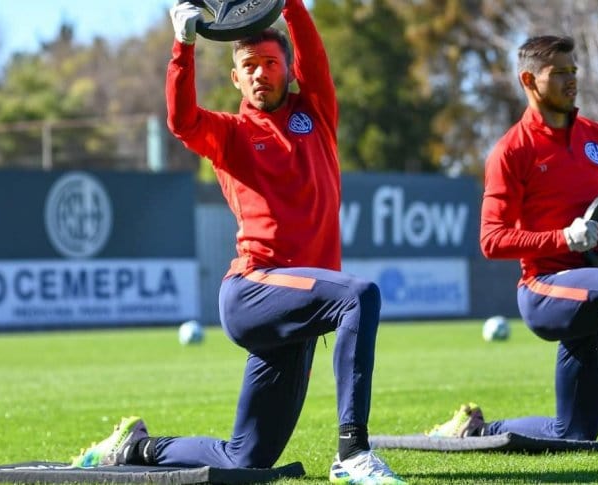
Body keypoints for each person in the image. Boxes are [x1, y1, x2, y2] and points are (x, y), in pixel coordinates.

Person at [68, 1, 405, 483]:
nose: (261, 74)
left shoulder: (316, 114)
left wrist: (288, 3)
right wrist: (182, 47)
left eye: (270, 64)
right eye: (249, 66)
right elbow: (182, 120)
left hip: (297, 311)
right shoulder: (231, 133)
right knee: (359, 296)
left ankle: (137, 447)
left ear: (289, 71)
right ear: (235, 78)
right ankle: (352, 452)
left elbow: (313, 52)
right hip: (252, 291)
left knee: (246, 460)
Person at [426, 35, 598, 460]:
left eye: (575, 71)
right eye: (561, 73)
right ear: (529, 80)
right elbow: (491, 240)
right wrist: (561, 238)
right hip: (544, 289)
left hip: (593, 294)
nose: (572, 81)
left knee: (574, 434)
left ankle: (475, 430)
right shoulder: (511, 151)